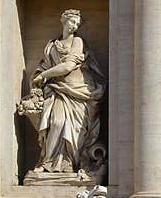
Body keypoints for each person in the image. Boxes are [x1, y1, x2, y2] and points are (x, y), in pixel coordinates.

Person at [31, 9, 106, 175]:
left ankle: (68, 163)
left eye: (77, 24)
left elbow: (68, 66)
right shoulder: (51, 45)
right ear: (63, 20)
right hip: (56, 91)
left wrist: (44, 75)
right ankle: (48, 163)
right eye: (72, 22)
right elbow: (44, 65)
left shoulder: (78, 41)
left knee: (72, 129)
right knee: (56, 124)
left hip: (77, 92)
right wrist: (37, 77)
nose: (75, 26)